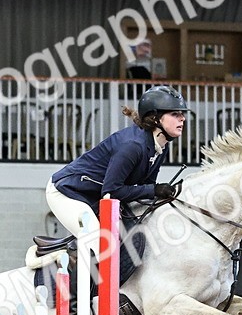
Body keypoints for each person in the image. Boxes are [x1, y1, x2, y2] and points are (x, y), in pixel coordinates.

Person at [46, 85, 188, 239]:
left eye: (182, 114)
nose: (183, 118)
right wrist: (154, 190)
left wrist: (159, 192)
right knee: (97, 240)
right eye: (175, 114)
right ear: (155, 118)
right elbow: (112, 191)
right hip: (67, 191)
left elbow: (145, 187)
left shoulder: (160, 146)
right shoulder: (132, 146)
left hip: (96, 196)